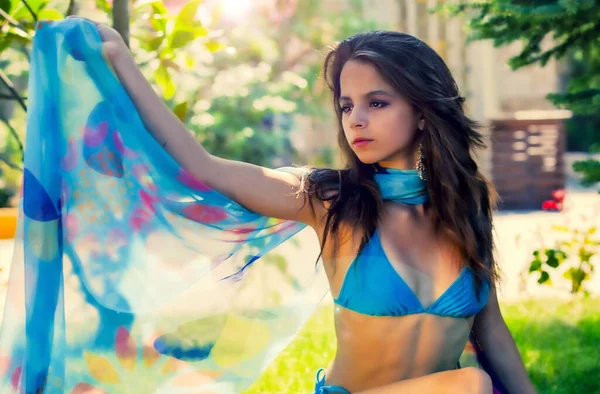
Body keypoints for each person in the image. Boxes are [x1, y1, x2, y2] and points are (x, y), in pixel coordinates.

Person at [2, 17, 536, 393]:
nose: (356, 120)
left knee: (474, 380)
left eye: (377, 103)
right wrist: (120, 59)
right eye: (347, 105)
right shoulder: (331, 201)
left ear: (422, 111)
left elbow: (489, 330)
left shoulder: (465, 208)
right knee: (471, 384)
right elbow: (201, 166)